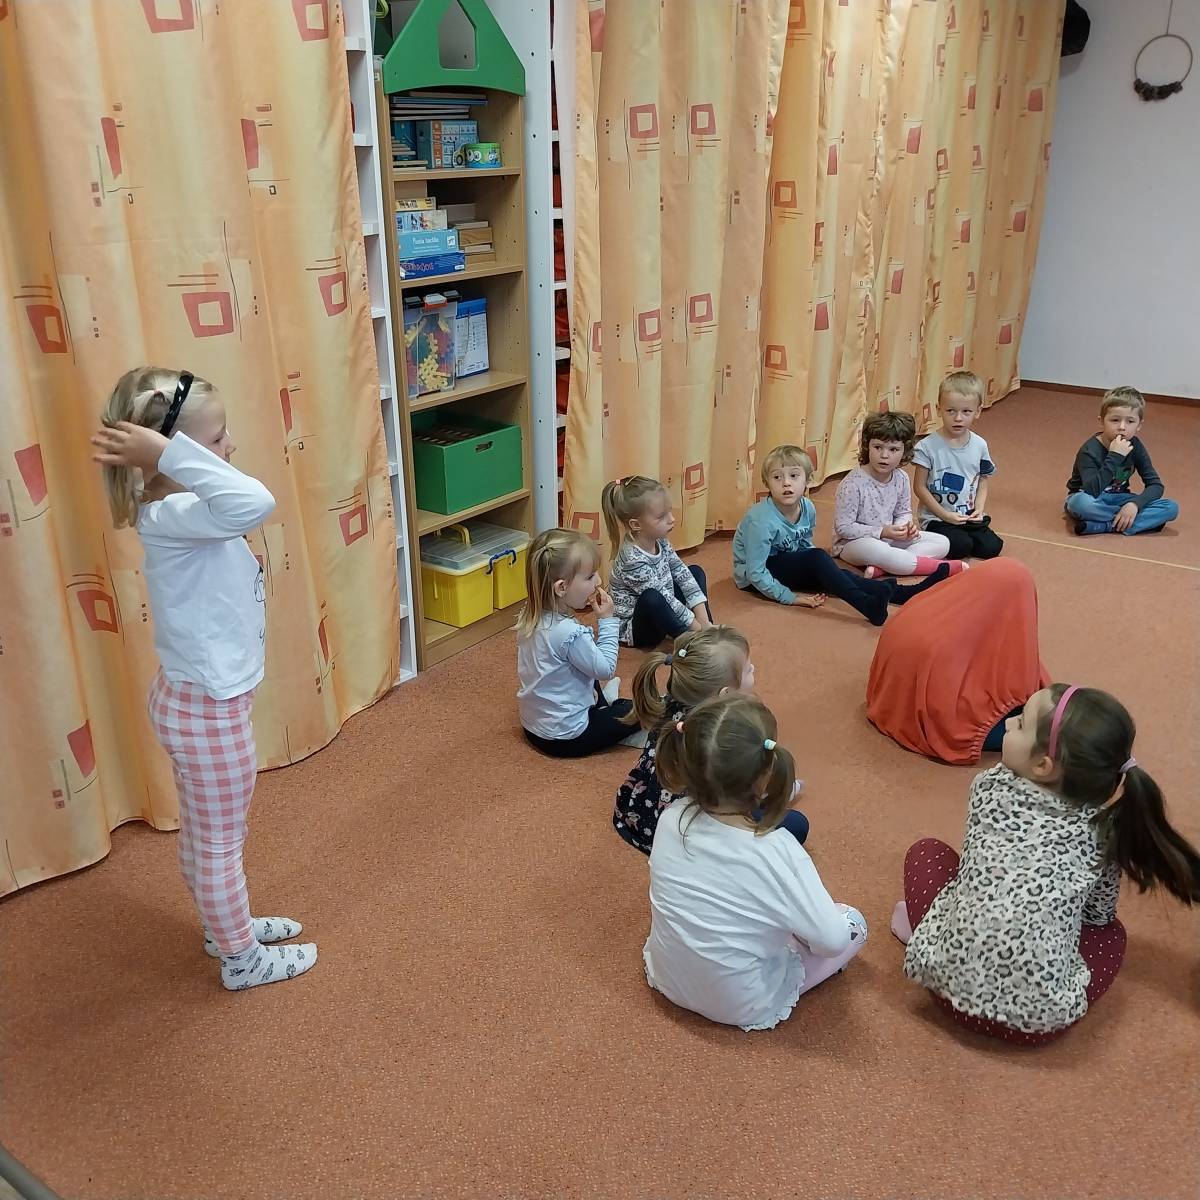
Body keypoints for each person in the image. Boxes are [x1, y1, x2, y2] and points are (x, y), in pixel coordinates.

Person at [91, 366, 317, 992]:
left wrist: (170, 455)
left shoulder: (181, 509)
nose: (229, 446)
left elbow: (236, 501)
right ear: (171, 452)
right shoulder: (175, 514)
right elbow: (256, 502)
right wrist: (167, 454)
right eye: (216, 439)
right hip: (207, 712)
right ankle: (241, 959)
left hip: (193, 701)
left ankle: (226, 928)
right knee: (221, 844)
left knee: (206, 834)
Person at [893, 684, 1200, 1044]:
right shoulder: (1105, 832)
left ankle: (930, 933)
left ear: (1043, 766)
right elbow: (1098, 916)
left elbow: (974, 869)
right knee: (1112, 934)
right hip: (1037, 1025)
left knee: (927, 852)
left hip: (940, 984)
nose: (1008, 724)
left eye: (1021, 723)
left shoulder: (988, 787)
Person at [643, 693, 867, 1030]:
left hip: (666, 975)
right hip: (742, 1004)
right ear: (766, 775)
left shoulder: (671, 816)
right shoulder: (778, 849)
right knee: (853, 924)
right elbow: (832, 941)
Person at [613, 625, 809, 855]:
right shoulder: (722, 731)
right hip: (686, 833)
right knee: (796, 825)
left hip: (636, 813)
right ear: (725, 694)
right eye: (748, 670)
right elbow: (737, 786)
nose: (753, 669)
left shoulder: (673, 701)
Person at [732, 446, 948, 626]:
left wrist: (821, 569)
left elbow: (804, 545)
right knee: (819, 560)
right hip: (755, 575)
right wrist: (790, 597)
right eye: (777, 477)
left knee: (831, 571)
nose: (786, 483)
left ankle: (902, 593)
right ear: (767, 483)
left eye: (794, 476)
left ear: (807, 480)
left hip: (783, 562)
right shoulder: (760, 521)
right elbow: (755, 572)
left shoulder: (807, 507)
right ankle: (867, 605)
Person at [866, 558, 1048, 764]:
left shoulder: (922, 604)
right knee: (1040, 723)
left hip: (889, 700)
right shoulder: (977, 630)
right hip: (943, 720)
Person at [516, 528, 643, 757]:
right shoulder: (569, 633)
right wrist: (608, 621)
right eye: (590, 576)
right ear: (561, 588)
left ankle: (602, 705)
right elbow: (606, 669)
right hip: (567, 737)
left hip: (533, 728)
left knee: (584, 661)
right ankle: (607, 708)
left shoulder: (531, 615)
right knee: (638, 709)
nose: (599, 581)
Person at [833, 410, 964, 579]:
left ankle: (884, 567)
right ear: (867, 446)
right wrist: (881, 532)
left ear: (905, 450)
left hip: (888, 538)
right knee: (879, 550)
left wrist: (904, 527)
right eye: (878, 447)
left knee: (942, 542)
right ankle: (942, 569)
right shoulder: (852, 484)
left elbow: (903, 512)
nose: (884, 455)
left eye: (893, 449)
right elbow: (844, 528)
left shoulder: (901, 478)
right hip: (853, 543)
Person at [602, 475, 713, 648]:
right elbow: (662, 597)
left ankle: (708, 628)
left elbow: (681, 573)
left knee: (694, 571)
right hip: (637, 629)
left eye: (670, 511)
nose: (672, 519)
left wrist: (703, 621)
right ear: (636, 525)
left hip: (664, 606)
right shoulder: (632, 559)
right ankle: (689, 639)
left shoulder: (660, 540)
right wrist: (695, 627)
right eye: (661, 517)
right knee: (652, 597)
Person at [912, 370, 1003, 559]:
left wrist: (979, 508)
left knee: (992, 547)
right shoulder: (926, 447)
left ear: (978, 411)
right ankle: (941, 537)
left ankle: (963, 535)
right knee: (961, 546)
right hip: (937, 518)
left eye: (966, 411)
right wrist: (945, 515)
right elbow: (919, 487)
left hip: (967, 515)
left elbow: (983, 480)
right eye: (950, 411)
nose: (958, 418)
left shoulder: (980, 445)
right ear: (939, 409)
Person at [1065, 385, 1179, 536]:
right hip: (1090, 498)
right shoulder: (1089, 450)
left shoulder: (1135, 446)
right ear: (1101, 421)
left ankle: (1105, 525)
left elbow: (1155, 485)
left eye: (1130, 421)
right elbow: (1091, 490)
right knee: (1079, 504)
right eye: (1115, 420)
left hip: (1119, 498)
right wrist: (1115, 455)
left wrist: (1134, 505)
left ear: (1139, 425)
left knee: (1171, 508)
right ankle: (1128, 522)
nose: (1122, 427)